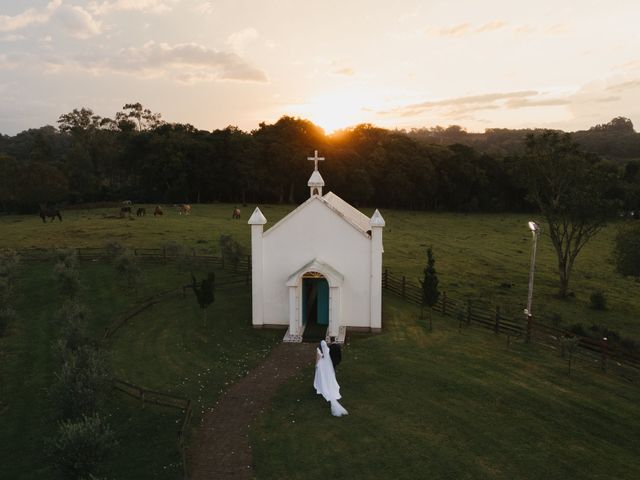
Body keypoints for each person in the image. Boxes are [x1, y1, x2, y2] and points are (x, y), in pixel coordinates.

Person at [313, 340, 348, 417]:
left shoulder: (318, 349)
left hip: (321, 365)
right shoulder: (327, 349)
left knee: (321, 377)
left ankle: (320, 386)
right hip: (326, 365)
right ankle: (327, 386)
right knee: (327, 376)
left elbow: (318, 358)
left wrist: (316, 365)